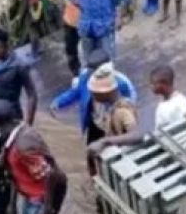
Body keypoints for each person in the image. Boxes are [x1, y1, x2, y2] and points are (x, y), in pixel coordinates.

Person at [50, 48, 135, 176]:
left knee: (116, 156)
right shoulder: (85, 76)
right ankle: (94, 177)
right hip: (95, 122)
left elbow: (130, 104)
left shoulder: (122, 83)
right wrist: (58, 102)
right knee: (90, 152)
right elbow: (75, 92)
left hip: (113, 124)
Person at [84, 63, 143, 157]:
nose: (92, 96)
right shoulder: (111, 109)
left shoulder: (122, 111)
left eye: (94, 93)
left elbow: (137, 135)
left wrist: (105, 141)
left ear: (105, 93)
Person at [0, 28, 38, 124]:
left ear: (5, 47)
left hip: (11, 118)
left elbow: (32, 95)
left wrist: (28, 123)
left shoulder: (19, 66)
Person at [47, 0, 83, 77]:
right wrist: (62, 2)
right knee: (71, 49)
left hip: (86, 21)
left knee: (91, 47)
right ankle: (76, 71)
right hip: (71, 22)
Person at [151, 65, 186, 130]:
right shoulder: (161, 104)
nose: (151, 87)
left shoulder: (179, 101)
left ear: (164, 84)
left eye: (154, 83)